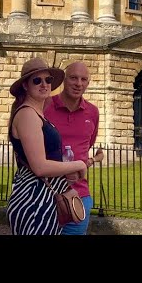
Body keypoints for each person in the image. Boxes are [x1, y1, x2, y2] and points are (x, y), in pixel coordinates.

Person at [6, 57, 88, 235]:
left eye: (48, 80)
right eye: (37, 80)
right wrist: (78, 164)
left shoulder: (37, 114)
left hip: (44, 197)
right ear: (26, 86)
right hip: (34, 200)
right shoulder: (27, 114)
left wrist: (65, 171)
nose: (44, 84)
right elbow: (40, 167)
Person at [44, 61, 103, 235]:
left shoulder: (92, 112)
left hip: (78, 194)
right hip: (46, 192)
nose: (79, 83)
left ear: (88, 83)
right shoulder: (45, 106)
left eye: (84, 79)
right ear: (64, 79)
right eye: (73, 78)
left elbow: (87, 146)